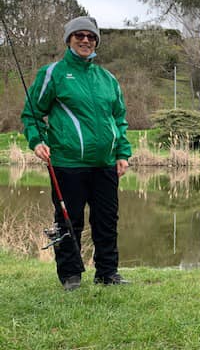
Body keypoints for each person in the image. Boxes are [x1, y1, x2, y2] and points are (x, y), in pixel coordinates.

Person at [21, 16, 132, 291]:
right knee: (68, 220)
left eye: (91, 36)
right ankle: (70, 275)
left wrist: (122, 153)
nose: (85, 40)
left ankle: (107, 273)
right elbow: (31, 114)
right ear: (69, 40)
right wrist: (37, 141)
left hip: (105, 164)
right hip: (67, 163)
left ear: (96, 42)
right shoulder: (53, 74)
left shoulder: (107, 79)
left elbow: (119, 119)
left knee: (107, 220)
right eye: (79, 35)